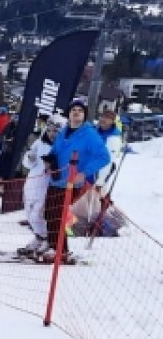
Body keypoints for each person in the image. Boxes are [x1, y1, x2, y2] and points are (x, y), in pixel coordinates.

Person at [41, 99, 111, 264]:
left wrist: (84, 173)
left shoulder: (89, 134)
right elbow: (55, 151)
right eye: (74, 110)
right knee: (49, 213)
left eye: (80, 110)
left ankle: (61, 251)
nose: (76, 112)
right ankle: (52, 245)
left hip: (72, 183)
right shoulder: (64, 131)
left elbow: (104, 157)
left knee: (58, 215)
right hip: (56, 179)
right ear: (69, 114)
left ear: (84, 114)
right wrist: (48, 161)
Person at [17, 115, 62, 255]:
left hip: (46, 184)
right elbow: (27, 160)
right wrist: (30, 159)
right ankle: (38, 237)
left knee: (38, 213)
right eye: (49, 130)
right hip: (32, 181)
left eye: (55, 131)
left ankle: (46, 238)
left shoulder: (60, 146)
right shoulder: (39, 143)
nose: (52, 134)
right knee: (29, 213)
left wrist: (52, 167)